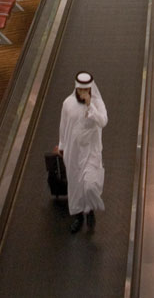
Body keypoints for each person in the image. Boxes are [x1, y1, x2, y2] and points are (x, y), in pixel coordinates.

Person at [57, 71, 107, 234]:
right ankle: (78, 215)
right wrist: (61, 146)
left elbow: (102, 121)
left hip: (91, 151)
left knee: (90, 185)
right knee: (75, 186)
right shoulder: (68, 103)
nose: (82, 94)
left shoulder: (97, 103)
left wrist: (89, 105)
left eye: (85, 91)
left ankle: (90, 209)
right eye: (80, 90)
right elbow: (63, 126)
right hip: (73, 152)